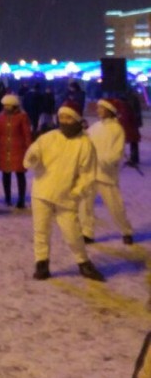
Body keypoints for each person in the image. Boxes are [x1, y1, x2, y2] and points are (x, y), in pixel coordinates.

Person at [23, 100, 105, 282]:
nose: (64, 121)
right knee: (41, 230)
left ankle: (83, 262)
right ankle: (42, 263)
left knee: (72, 232)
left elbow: (87, 175)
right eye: (61, 117)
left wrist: (76, 193)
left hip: (66, 197)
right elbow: (32, 156)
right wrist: (32, 158)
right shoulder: (49, 138)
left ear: (76, 119)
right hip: (42, 192)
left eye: (68, 118)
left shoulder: (85, 144)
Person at [80, 99, 134, 245]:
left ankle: (126, 231)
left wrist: (104, 161)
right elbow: (86, 142)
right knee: (85, 205)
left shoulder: (117, 129)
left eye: (101, 108)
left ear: (109, 110)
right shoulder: (96, 127)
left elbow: (117, 153)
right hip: (90, 172)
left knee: (115, 205)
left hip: (106, 174)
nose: (98, 110)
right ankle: (87, 232)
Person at [0, 93, 32, 208]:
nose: (6, 107)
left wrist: (29, 148)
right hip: (4, 150)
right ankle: (7, 198)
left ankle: (21, 199)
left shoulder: (22, 116)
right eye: (5, 105)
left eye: (8, 105)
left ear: (14, 106)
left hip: (18, 150)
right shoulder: (1, 117)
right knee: (6, 175)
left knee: (20, 174)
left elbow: (27, 134)